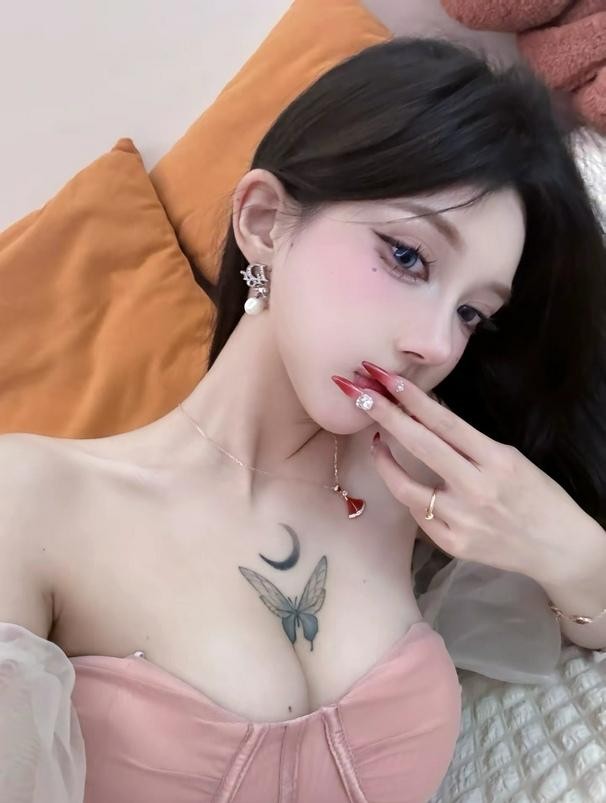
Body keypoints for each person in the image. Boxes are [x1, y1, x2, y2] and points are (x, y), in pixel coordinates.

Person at [1, 36, 605, 803]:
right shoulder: (35, 497)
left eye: (471, 313)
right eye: (407, 257)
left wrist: (572, 549)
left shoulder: (432, 493)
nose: (434, 343)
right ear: (263, 221)